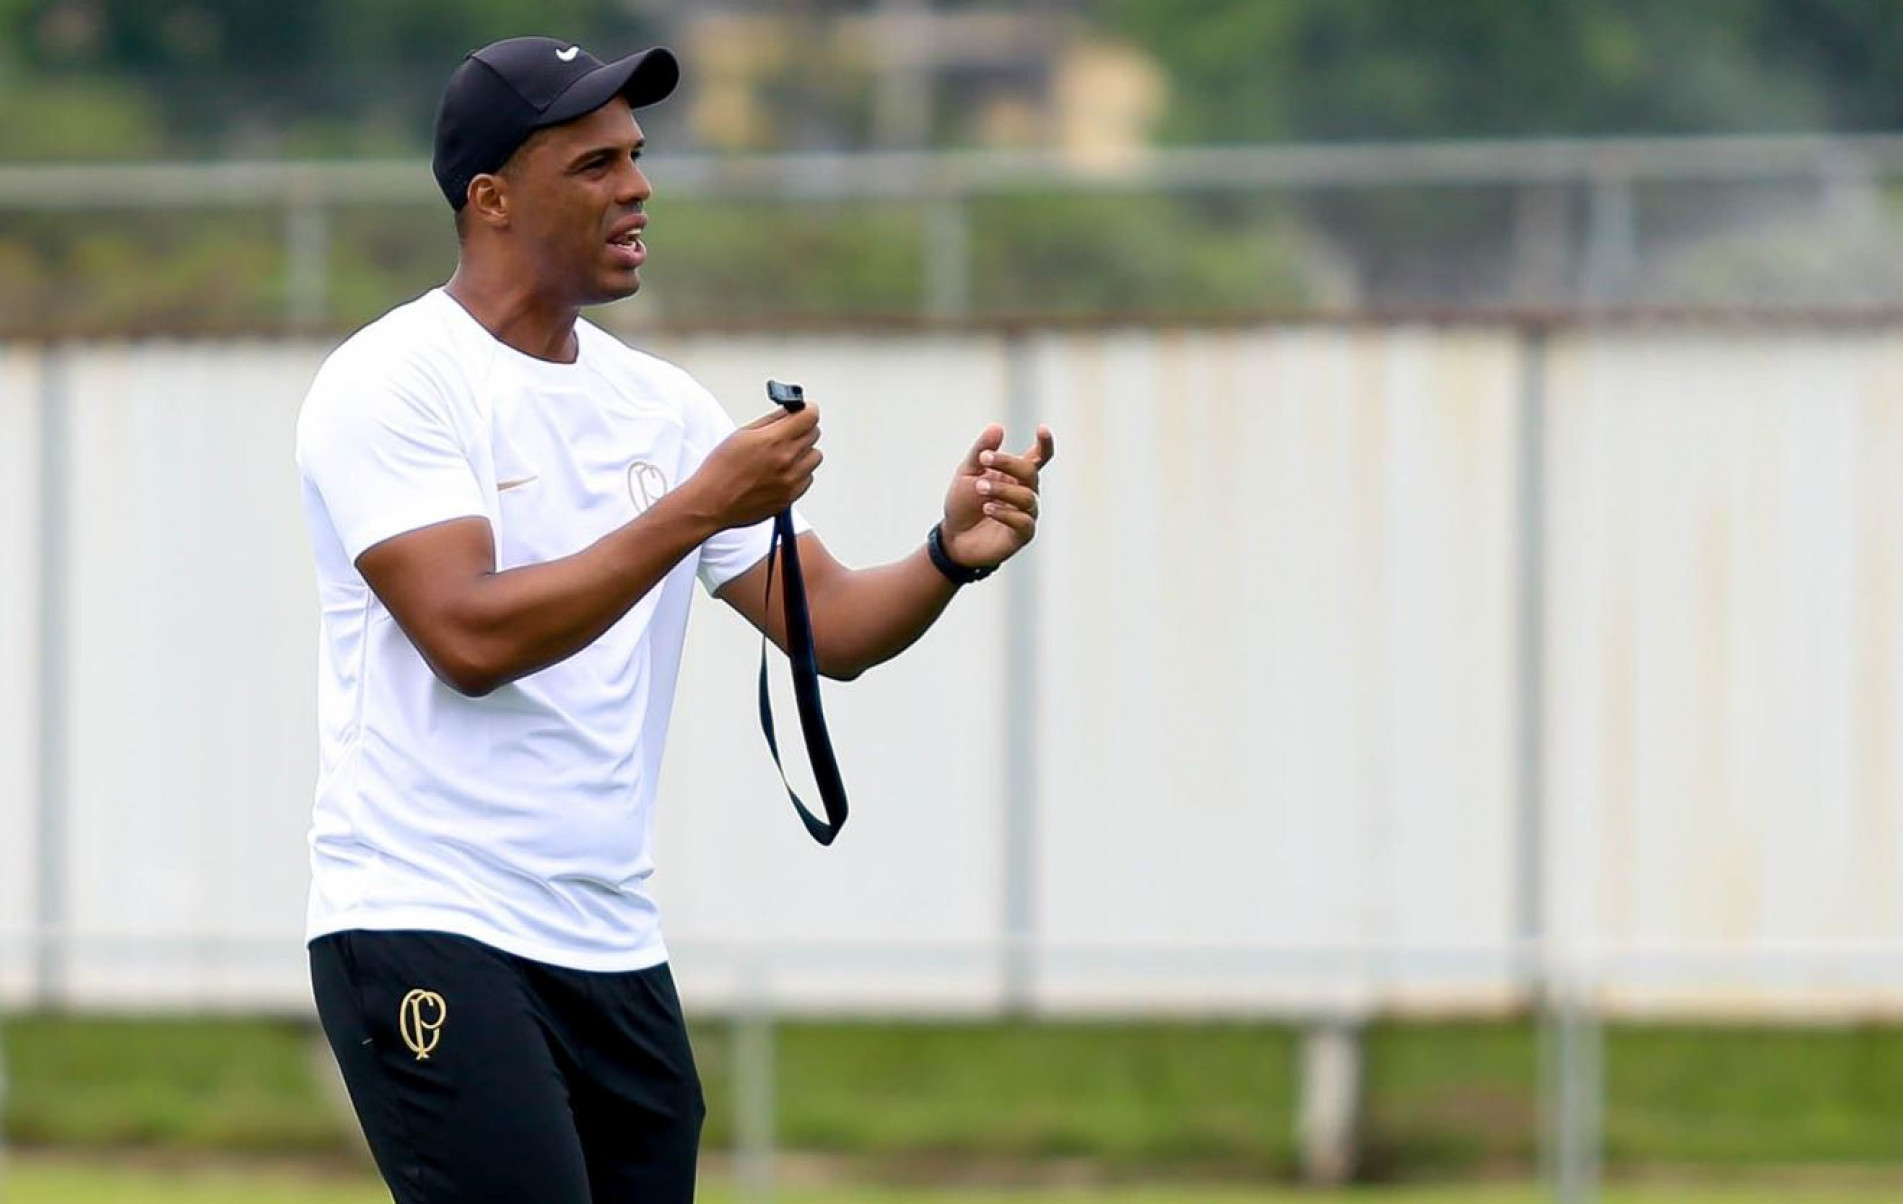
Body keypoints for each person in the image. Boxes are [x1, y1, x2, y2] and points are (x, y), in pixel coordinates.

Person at [293, 35, 1053, 1204]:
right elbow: (471, 640)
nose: (639, 187)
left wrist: (950, 551)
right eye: (595, 164)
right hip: (424, 920)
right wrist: (702, 505)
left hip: (612, 950)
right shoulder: (391, 381)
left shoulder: (662, 407)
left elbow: (832, 628)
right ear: (491, 200)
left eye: (638, 157)